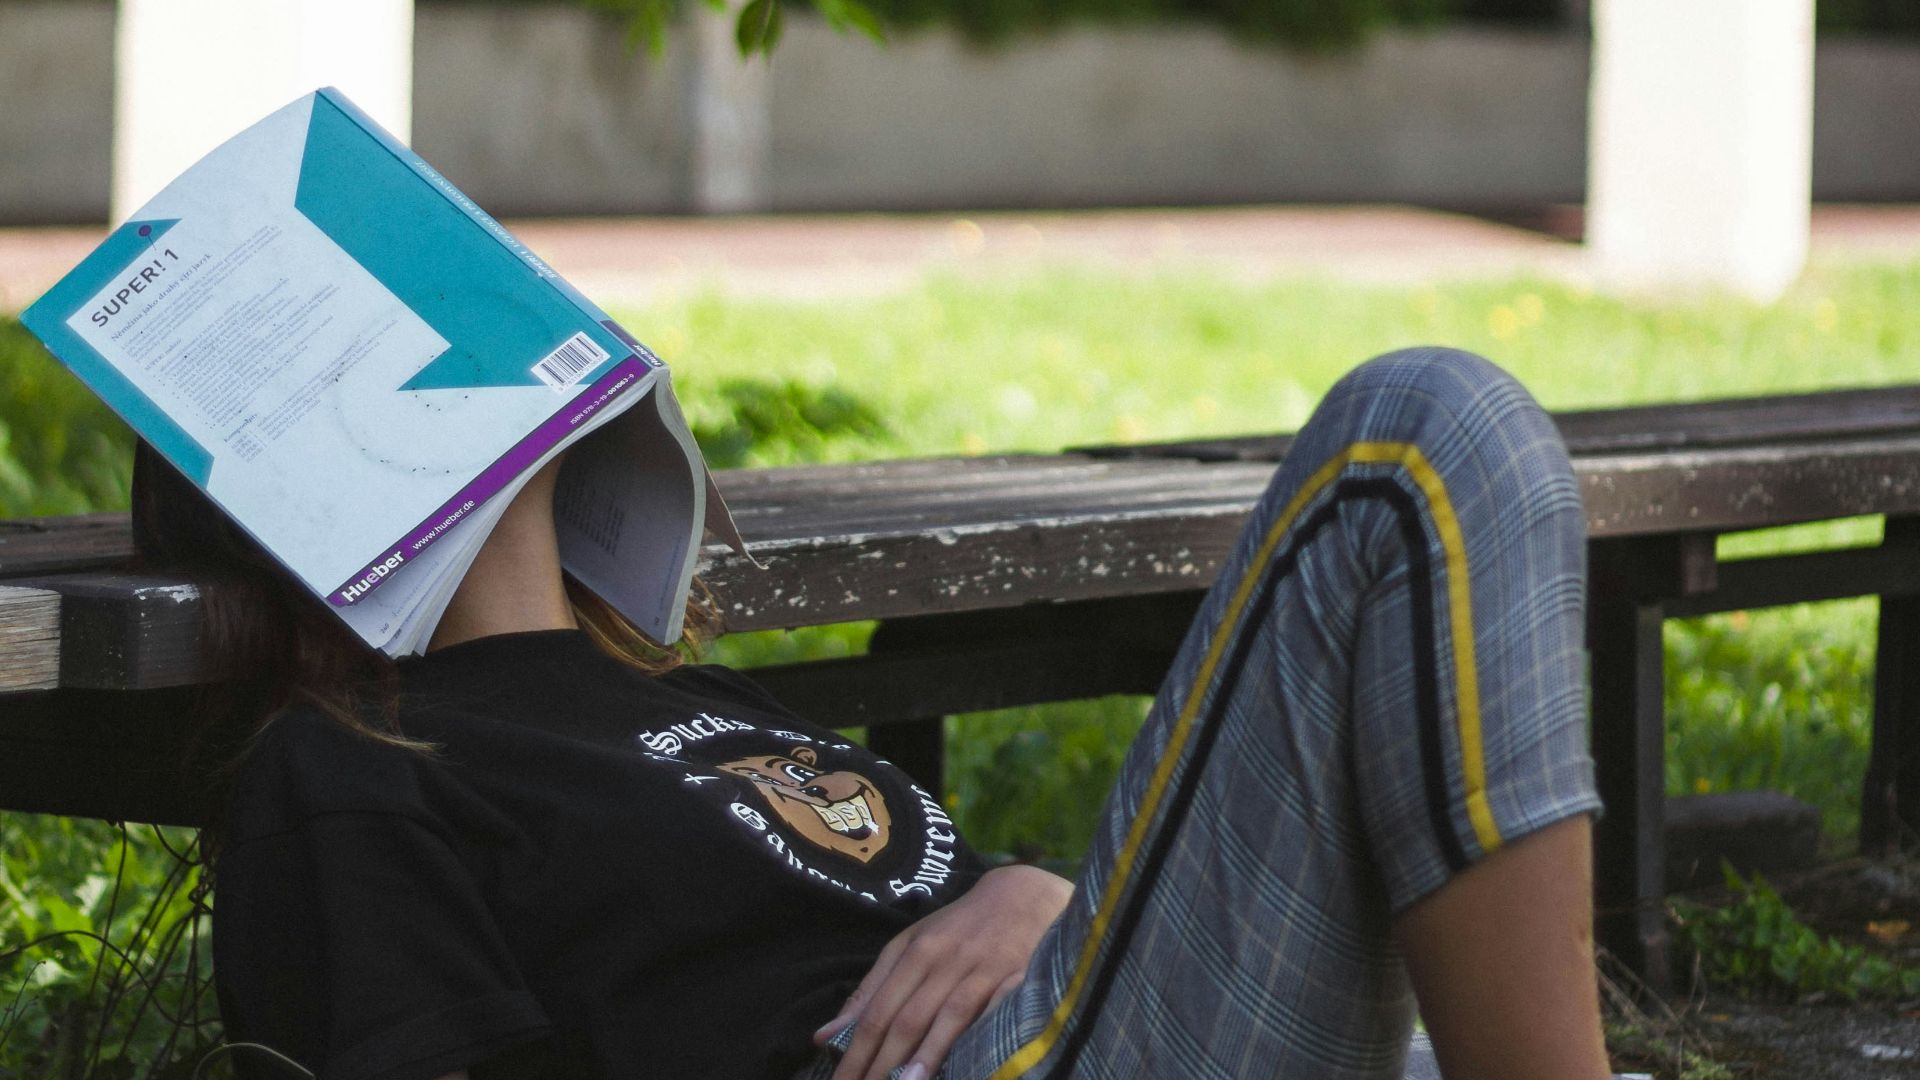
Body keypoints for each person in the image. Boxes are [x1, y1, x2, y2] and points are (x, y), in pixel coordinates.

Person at [144, 347, 1612, 1080]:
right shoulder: (348, 769)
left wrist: (1032, 893)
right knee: (1426, 432)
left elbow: (926, 911)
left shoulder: (675, 696)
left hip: (1076, 1027)